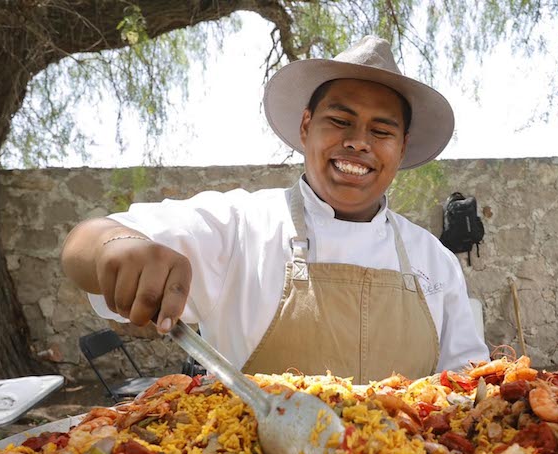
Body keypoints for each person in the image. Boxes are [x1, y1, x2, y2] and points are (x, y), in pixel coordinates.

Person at [62, 36, 488, 382]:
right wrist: (116, 246)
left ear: (402, 148)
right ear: (306, 126)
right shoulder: (240, 228)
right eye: (339, 121)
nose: (359, 141)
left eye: (381, 130)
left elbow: (468, 386)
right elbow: (87, 244)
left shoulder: (435, 260)